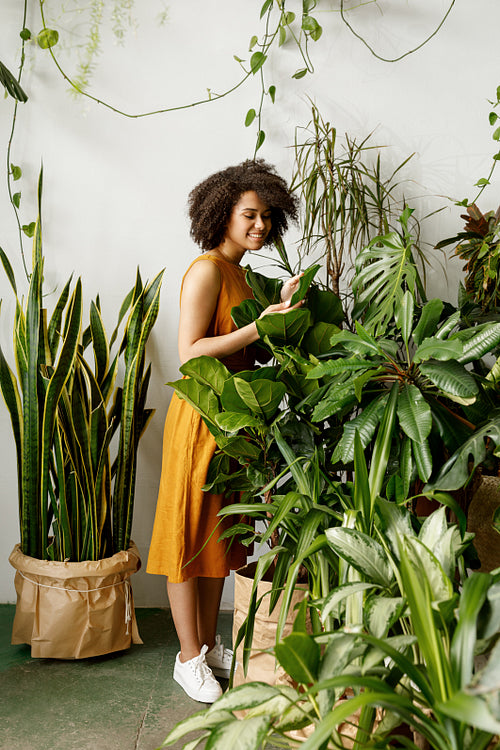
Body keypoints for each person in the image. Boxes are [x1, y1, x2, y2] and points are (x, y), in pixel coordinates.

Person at [147, 159, 302, 703]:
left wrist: (280, 312)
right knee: (188, 537)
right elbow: (190, 354)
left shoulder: (240, 273)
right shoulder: (207, 268)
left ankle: (209, 644)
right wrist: (261, 326)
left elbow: (243, 347)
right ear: (223, 214)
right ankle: (187, 657)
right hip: (200, 419)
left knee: (220, 539)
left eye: (267, 217)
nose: (260, 226)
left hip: (233, 420)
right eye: (250, 215)